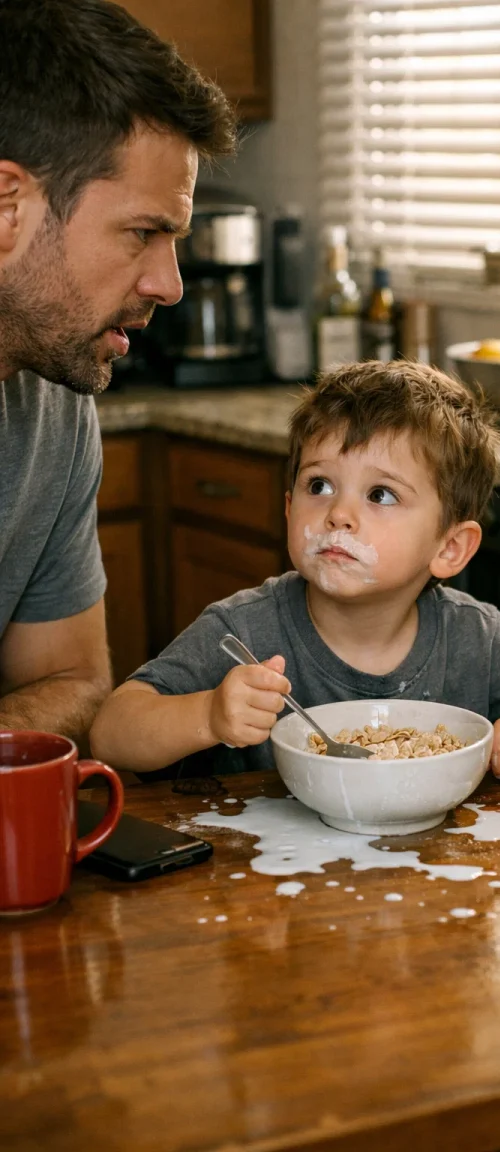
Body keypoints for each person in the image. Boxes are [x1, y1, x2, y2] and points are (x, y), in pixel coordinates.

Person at [90, 362, 500, 782]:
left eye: (380, 494)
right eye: (320, 485)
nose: (339, 513)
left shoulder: (472, 635)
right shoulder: (245, 631)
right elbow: (113, 732)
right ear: (289, 507)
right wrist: (207, 716)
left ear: (451, 548)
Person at [0, 0, 236, 744]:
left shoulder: (55, 406)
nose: (171, 285)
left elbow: (74, 685)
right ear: (8, 208)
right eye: (143, 232)